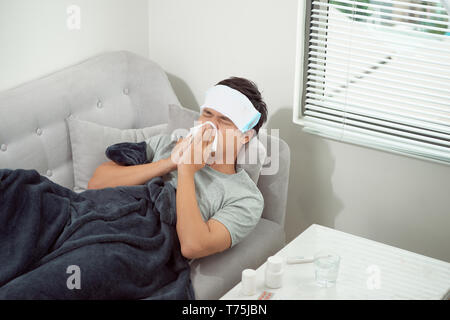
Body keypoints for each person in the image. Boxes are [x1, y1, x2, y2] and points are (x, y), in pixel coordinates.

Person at [88, 77, 268, 260]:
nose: (211, 125)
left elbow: (193, 246)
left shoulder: (246, 197)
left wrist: (186, 171)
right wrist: (169, 162)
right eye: (207, 114)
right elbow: (96, 183)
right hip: (96, 218)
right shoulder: (166, 144)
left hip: (130, 248)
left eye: (225, 120)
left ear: (246, 136)